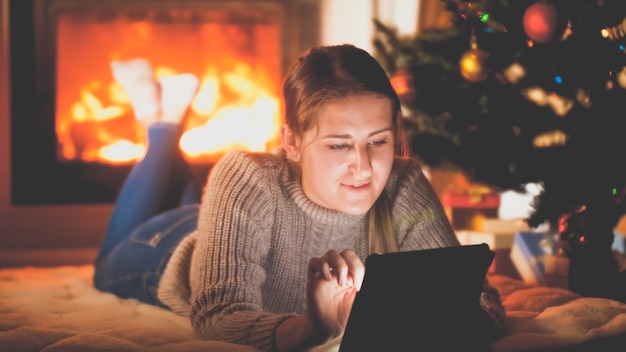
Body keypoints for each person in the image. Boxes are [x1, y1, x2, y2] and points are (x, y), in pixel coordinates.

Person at [94, 44, 507, 351]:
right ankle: (161, 125)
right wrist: (313, 327)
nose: (364, 167)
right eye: (338, 146)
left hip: (231, 221)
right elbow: (217, 319)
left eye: (378, 141)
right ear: (291, 141)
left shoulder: (403, 183)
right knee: (103, 262)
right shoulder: (247, 176)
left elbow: (483, 302)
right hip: (162, 251)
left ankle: (163, 120)